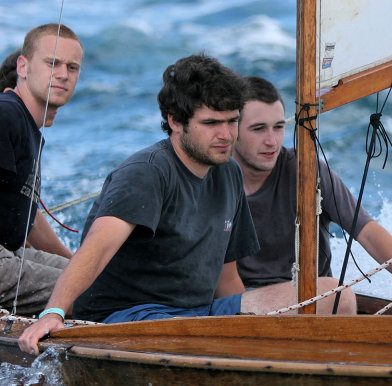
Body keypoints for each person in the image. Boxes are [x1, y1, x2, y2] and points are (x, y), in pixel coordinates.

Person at [18, 55, 355, 355]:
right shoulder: (147, 173)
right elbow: (96, 251)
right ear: (176, 121)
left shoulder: (230, 174)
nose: (226, 134)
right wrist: (55, 312)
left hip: (199, 315)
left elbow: (226, 280)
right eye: (211, 123)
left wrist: (254, 328)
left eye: (232, 121)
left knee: (336, 296)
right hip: (129, 319)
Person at [233, 76, 392, 307]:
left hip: (310, 298)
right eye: (259, 129)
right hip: (243, 299)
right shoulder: (215, 180)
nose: (272, 141)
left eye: (279, 127)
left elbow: (368, 233)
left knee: (339, 294)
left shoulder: (308, 172)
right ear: (233, 130)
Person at [1, 24, 83, 317]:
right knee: (94, 293)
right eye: (53, 63)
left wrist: (79, 264)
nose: (63, 74)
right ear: (22, 66)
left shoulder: (26, 125)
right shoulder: (6, 113)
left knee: (100, 279)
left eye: (72, 67)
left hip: (12, 252)